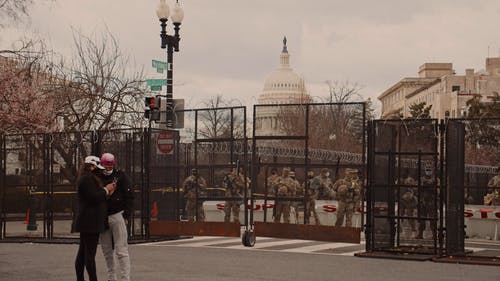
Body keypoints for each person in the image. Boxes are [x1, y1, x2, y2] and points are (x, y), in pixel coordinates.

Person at [74, 156, 115, 281]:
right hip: (90, 221)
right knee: (89, 255)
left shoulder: (86, 178)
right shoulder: (87, 179)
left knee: (83, 253)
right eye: (97, 168)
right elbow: (94, 197)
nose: (98, 171)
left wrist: (106, 192)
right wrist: (106, 190)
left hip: (88, 220)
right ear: (92, 166)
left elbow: (94, 197)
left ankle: (80, 278)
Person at [97, 153, 133, 281]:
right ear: (102, 164)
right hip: (105, 216)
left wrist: (126, 214)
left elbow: (129, 195)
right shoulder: (98, 176)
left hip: (117, 214)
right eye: (106, 164)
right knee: (107, 251)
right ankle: (112, 277)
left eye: (110, 164)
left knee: (121, 250)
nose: (108, 167)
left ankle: (124, 278)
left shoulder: (120, 176)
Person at [416, 167, 439, 239]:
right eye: (427, 170)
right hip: (423, 201)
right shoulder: (421, 179)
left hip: (432, 201)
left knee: (433, 219)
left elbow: (438, 191)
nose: (428, 171)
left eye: (430, 170)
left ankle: (434, 235)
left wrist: (431, 186)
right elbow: (417, 189)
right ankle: (420, 234)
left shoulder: (436, 180)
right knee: (422, 218)